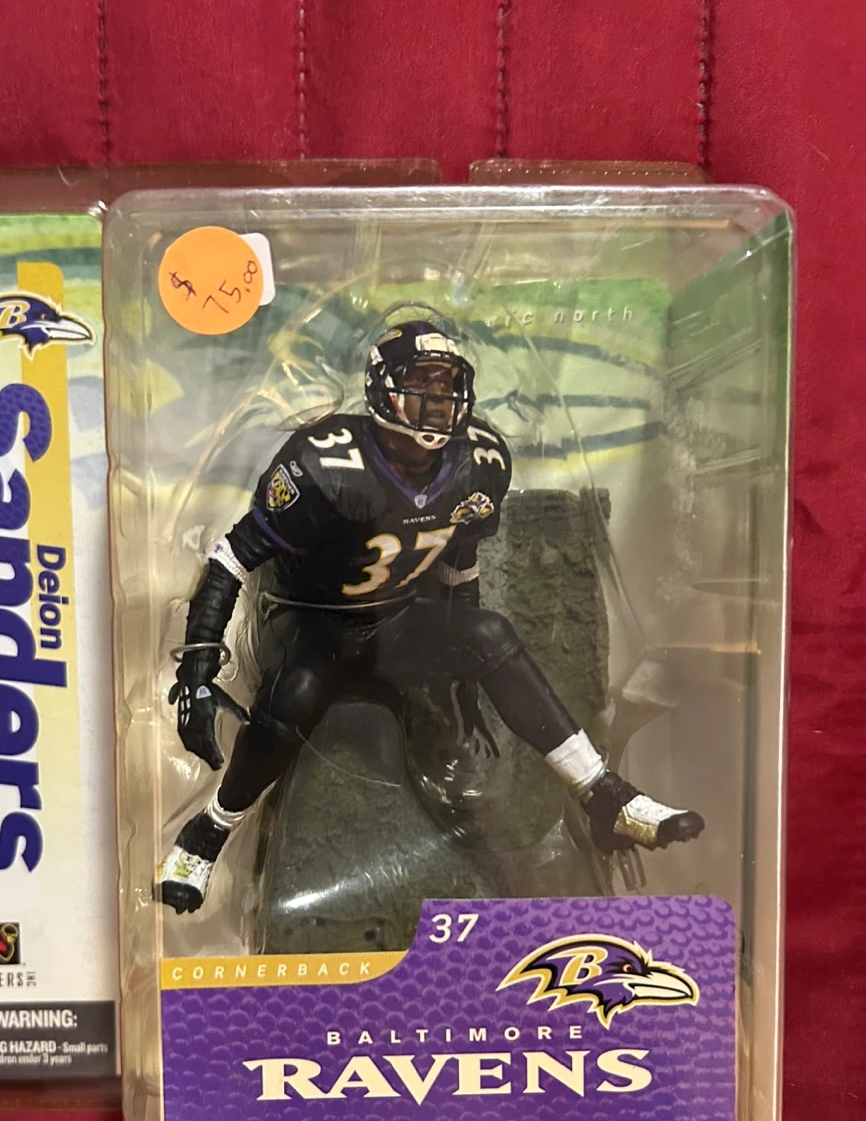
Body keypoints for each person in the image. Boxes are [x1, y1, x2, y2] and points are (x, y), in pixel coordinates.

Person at [159, 321, 703, 913]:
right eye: (421, 383)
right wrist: (198, 669)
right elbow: (232, 557)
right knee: (295, 692)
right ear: (381, 389)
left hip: (394, 620)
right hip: (309, 620)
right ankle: (210, 829)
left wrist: (462, 674)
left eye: (447, 385)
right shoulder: (323, 462)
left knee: (490, 633)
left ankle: (602, 795)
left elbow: (458, 560)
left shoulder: (480, 461)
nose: (438, 400)